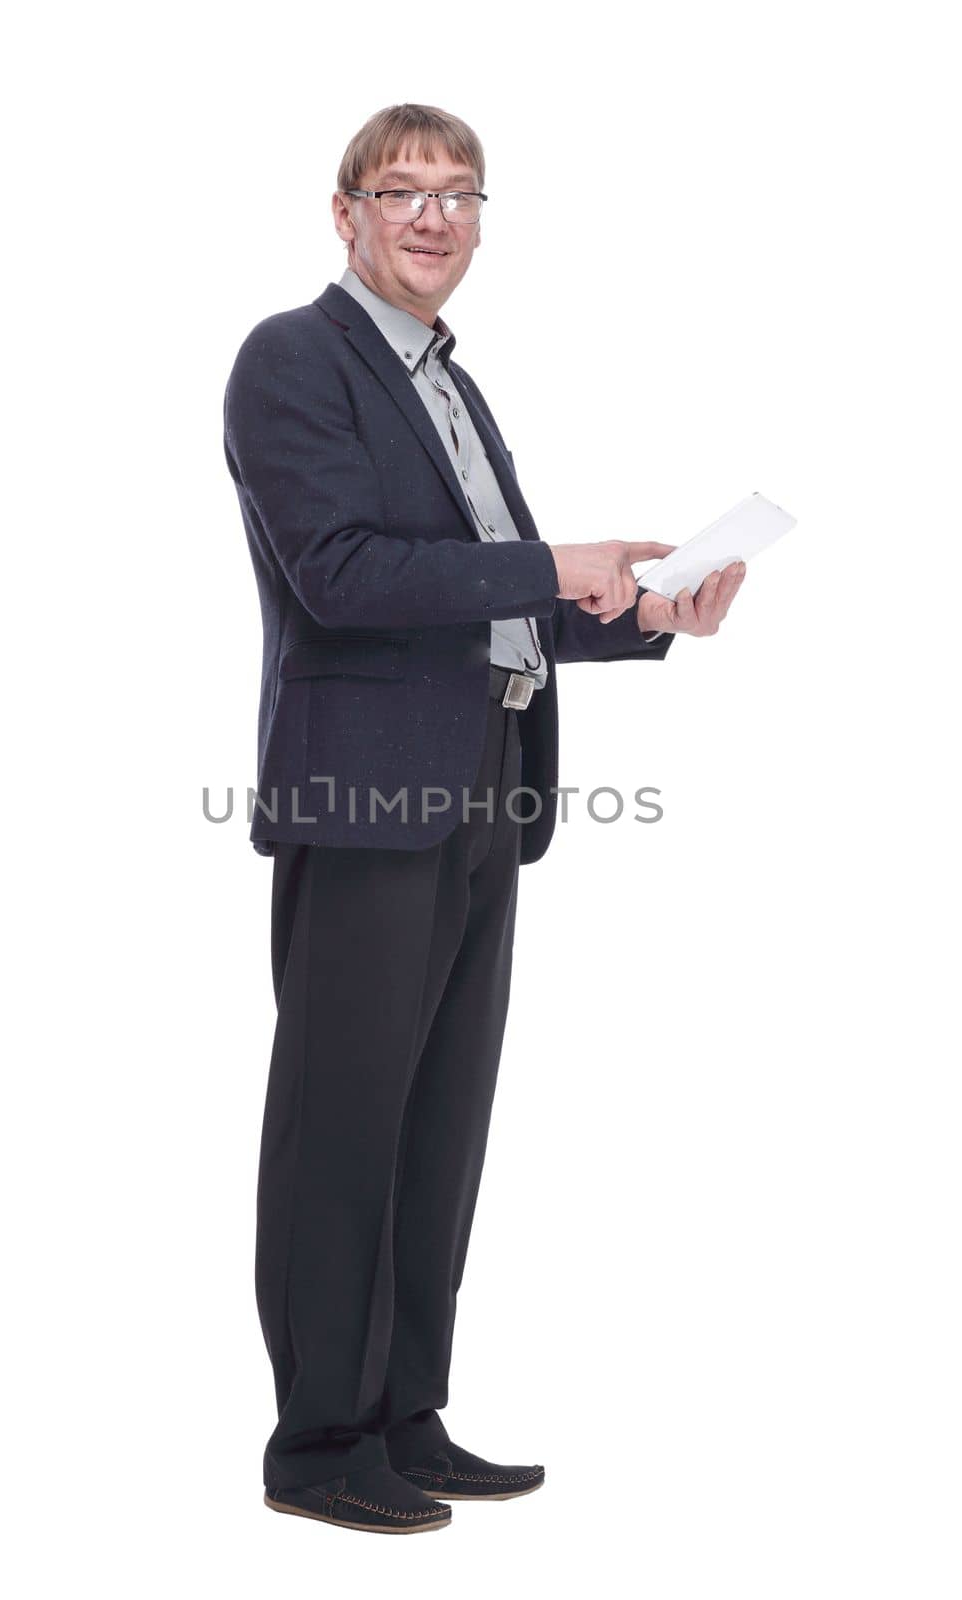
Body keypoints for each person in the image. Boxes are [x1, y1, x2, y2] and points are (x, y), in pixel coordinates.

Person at [222, 103, 745, 1536]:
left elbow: (485, 601)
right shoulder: (295, 359)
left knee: (438, 1124)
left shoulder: (448, 379)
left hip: (481, 792)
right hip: (370, 795)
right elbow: (343, 574)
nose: (435, 218)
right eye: (404, 192)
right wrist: (547, 557)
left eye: (461, 194)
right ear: (347, 216)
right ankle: (320, 1443)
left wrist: (644, 617)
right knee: (343, 1124)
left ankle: (407, 1414)